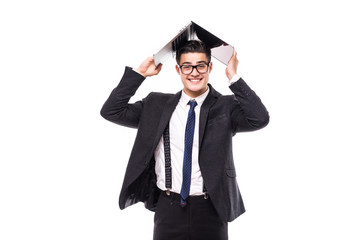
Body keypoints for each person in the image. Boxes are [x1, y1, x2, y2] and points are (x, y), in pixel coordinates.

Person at [100, 40, 269, 240]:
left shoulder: (226, 106)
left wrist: (234, 77)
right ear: (178, 70)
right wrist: (140, 74)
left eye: (200, 65)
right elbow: (111, 111)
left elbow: (260, 118)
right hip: (168, 207)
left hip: (211, 208)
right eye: (187, 66)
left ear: (210, 67)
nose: (194, 72)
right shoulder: (156, 104)